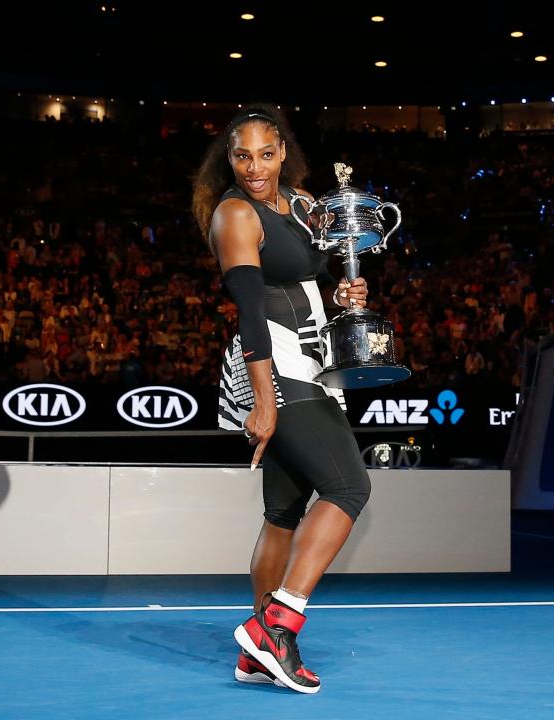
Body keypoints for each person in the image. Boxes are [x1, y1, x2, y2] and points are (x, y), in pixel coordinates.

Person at [192, 106, 372, 694]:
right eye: (242, 156)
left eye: (266, 155)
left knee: (283, 513)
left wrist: (347, 290)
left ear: (283, 153)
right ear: (229, 157)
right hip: (274, 366)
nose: (254, 167)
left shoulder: (302, 203)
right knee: (348, 486)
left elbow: (309, 276)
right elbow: (250, 314)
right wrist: (264, 403)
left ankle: (256, 654)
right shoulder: (234, 215)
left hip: (315, 364)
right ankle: (279, 624)